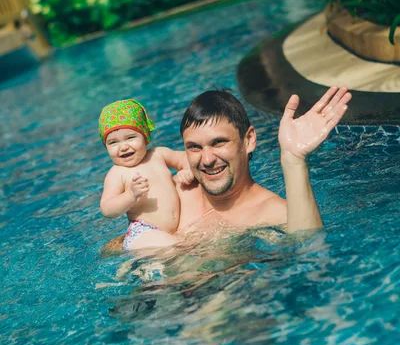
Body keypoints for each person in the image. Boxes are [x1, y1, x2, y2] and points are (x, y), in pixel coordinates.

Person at [103, 86, 351, 254]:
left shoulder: (272, 212)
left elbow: (310, 249)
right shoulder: (176, 189)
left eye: (219, 143)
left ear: (249, 140)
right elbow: (118, 245)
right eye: (194, 147)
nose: (207, 159)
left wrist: (293, 159)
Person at [99, 98, 194, 252]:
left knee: (176, 248)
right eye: (113, 143)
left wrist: (187, 170)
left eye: (130, 138)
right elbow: (107, 209)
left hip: (166, 233)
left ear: (146, 137)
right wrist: (130, 195)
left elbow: (188, 158)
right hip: (143, 232)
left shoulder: (159, 154)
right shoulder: (117, 173)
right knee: (176, 248)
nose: (123, 147)